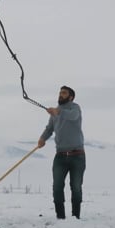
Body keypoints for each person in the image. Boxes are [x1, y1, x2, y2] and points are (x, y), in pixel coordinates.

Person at [37, 85, 86, 219]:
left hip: (78, 156)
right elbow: (49, 129)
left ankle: (76, 217)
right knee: (57, 187)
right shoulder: (55, 113)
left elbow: (73, 116)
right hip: (60, 156)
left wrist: (58, 112)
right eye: (60, 93)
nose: (60, 95)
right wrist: (42, 138)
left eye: (64, 93)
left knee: (76, 188)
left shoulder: (75, 108)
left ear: (70, 97)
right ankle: (60, 217)